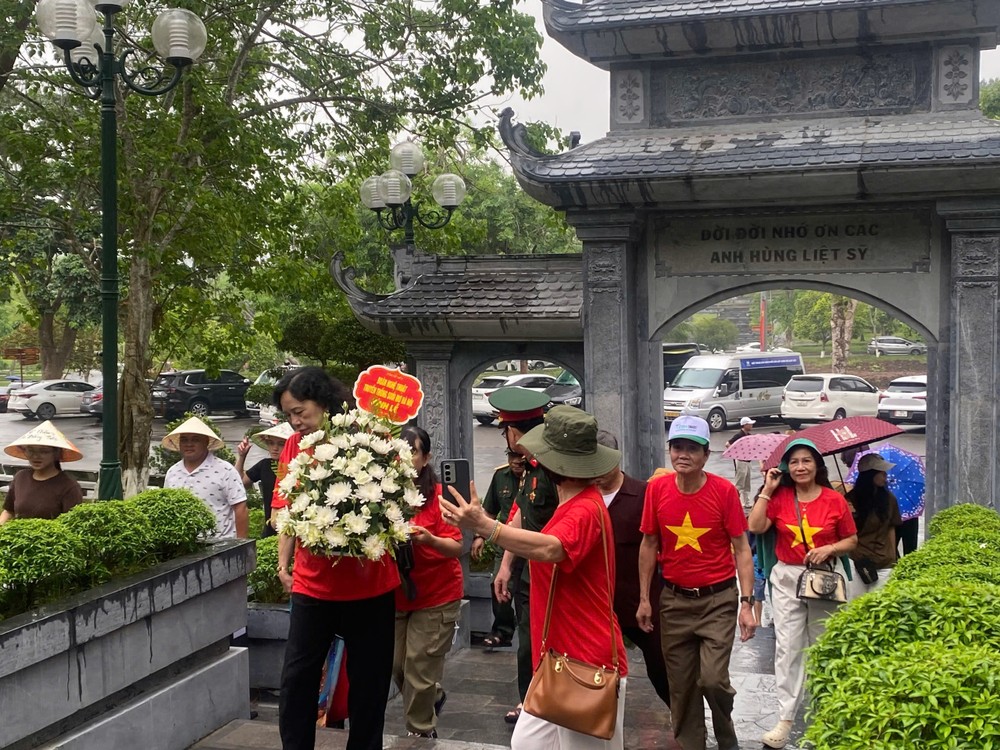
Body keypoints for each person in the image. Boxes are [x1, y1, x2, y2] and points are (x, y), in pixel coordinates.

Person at [443, 406, 629, 750]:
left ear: (553, 463)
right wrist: (503, 555)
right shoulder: (567, 503)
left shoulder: (586, 507)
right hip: (557, 659)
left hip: (587, 661)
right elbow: (529, 530)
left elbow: (551, 549)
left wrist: (486, 527)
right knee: (527, 744)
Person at [271, 366, 398, 750]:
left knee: (370, 681)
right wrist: (282, 564)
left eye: (299, 411)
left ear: (324, 402)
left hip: (370, 583)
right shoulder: (294, 448)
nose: (295, 422)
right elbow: (284, 511)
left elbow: (393, 501)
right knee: (297, 679)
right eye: (289, 415)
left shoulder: (371, 436)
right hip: (314, 584)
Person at [637, 415, 756, 750]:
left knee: (714, 680)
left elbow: (742, 548)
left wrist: (747, 604)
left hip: (717, 600)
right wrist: (645, 598)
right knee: (682, 685)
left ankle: (726, 736)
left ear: (706, 455)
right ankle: (692, 744)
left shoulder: (724, 492)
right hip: (674, 601)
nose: (683, 455)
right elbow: (648, 544)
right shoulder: (657, 490)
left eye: (692, 448)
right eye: (677, 447)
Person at [748, 438, 858, 749]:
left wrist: (830, 548)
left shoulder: (835, 500)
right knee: (788, 648)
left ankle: (828, 713)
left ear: (817, 465)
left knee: (824, 646)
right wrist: (767, 490)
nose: (800, 467)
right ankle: (785, 719)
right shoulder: (780, 497)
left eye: (806, 460)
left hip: (824, 580)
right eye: (794, 461)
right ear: (786, 466)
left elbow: (851, 540)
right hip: (787, 578)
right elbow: (755, 526)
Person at [488, 386, 559, 724]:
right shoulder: (530, 465)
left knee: (551, 641)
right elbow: (520, 509)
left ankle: (556, 703)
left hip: (556, 573)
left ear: (514, 432)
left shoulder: (553, 466)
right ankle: (529, 702)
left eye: (506, 430)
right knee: (528, 640)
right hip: (529, 572)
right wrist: (506, 564)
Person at [393, 425, 464, 739]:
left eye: (412, 453)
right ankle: (433, 696)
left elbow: (456, 546)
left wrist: (430, 539)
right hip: (395, 593)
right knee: (398, 666)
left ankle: (420, 733)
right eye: (397, 454)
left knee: (418, 667)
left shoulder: (440, 496)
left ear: (426, 458)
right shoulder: (382, 493)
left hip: (437, 593)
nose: (404, 460)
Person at [594, 429, 670, 707]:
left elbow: (658, 546)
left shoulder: (644, 494)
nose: (597, 472)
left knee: (662, 667)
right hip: (597, 604)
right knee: (593, 672)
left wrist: (646, 600)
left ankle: (687, 723)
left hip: (641, 602)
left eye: (603, 463)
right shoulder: (582, 498)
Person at [471, 449, 525, 648]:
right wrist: (480, 536)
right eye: (512, 457)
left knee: (525, 591)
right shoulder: (500, 476)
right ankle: (502, 631)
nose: (516, 462)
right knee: (498, 584)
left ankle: (528, 630)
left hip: (531, 541)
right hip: (505, 541)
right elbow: (490, 511)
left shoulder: (537, 476)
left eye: (520, 457)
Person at [162, 416, 248, 539]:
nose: (189, 444)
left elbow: (241, 508)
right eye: (184, 440)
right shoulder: (172, 473)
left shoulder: (225, 470)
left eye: (195, 440)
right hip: (184, 546)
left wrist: (241, 546)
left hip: (221, 547)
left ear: (206, 442)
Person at [1, 420, 84, 524]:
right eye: (31, 450)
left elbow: (73, 524)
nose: (36, 456)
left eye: (43, 451)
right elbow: (9, 511)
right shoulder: (21, 477)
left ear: (56, 453)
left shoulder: (69, 486)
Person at [845, 453, 902, 599]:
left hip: (885, 563)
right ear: (869, 475)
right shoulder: (851, 501)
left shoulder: (890, 499)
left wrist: (893, 556)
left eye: (885, 472)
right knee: (855, 606)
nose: (885, 476)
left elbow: (891, 528)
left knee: (880, 606)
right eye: (880, 473)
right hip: (858, 562)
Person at [235, 422, 295, 538]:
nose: (275, 448)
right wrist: (242, 457)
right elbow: (239, 484)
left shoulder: (299, 466)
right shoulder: (265, 465)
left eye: (281, 444)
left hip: (294, 532)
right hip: (270, 531)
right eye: (271, 443)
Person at [725, 416, 755, 512]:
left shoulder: (748, 435)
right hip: (741, 461)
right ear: (744, 425)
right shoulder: (739, 435)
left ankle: (747, 502)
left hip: (748, 461)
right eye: (749, 424)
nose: (751, 425)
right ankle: (735, 501)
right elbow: (728, 443)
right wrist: (735, 453)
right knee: (739, 483)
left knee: (747, 483)